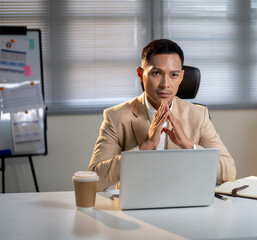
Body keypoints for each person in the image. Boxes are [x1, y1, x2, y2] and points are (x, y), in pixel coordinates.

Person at [89, 39, 236, 191]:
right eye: (157, 73)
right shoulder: (116, 116)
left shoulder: (199, 115)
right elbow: (94, 180)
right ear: (140, 74)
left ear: (181, 77)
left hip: (187, 202)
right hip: (136, 203)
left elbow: (229, 173)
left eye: (173, 75)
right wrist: (144, 147)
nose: (165, 84)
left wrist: (188, 145)